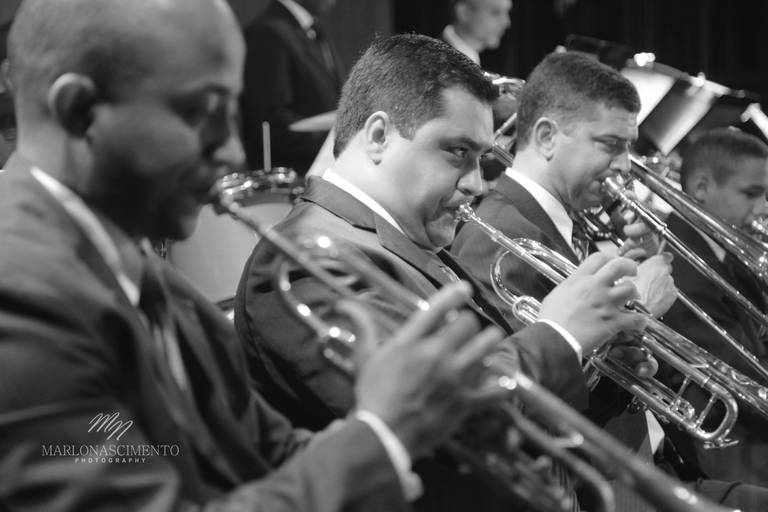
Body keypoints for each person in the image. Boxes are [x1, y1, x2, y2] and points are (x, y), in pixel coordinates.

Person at [0, 1, 512, 510]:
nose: (229, 153)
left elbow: (271, 453)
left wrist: (394, 426)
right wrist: (382, 434)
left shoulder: (140, 269)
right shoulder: (18, 291)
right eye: (202, 113)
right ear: (79, 112)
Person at [235, 34, 654, 511]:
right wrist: (559, 335)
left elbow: (516, 423)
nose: (476, 183)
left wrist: (600, 371)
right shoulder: (307, 257)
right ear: (378, 136)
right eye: (458, 152)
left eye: (482, 159)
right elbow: (444, 425)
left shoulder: (402, 238)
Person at [451, 51, 768, 509]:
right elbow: (529, 412)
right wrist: (636, 306)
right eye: (609, 145)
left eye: (629, 147)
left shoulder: (571, 222)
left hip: (658, 467)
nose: (626, 166)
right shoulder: (499, 237)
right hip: (604, 490)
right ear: (545, 137)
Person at [660, 127, 768, 486]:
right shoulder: (683, 264)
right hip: (731, 445)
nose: (763, 208)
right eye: (752, 194)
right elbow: (742, 377)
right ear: (702, 189)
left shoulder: (727, 251)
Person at [240, 0, 343, 175]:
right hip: (293, 183)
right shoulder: (266, 33)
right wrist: (341, 140)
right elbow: (271, 125)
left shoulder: (313, 30)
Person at [441, 0, 512, 66]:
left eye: (507, 12)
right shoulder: (439, 64)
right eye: (495, 12)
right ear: (464, 12)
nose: (506, 22)